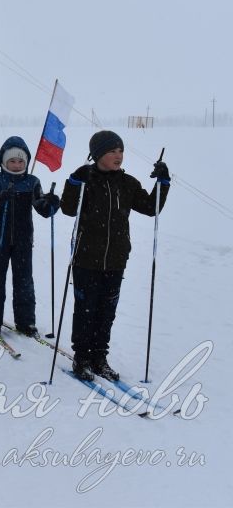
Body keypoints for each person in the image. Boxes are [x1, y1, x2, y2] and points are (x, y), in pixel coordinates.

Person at [60, 130, 169, 381]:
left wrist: (163, 182)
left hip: (116, 259)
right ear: (98, 154)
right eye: (112, 151)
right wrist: (74, 182)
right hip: (86, 259)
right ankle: (82, 358)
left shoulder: (127, 183)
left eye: (120, 151)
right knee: (86, 309)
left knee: (106, 311)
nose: (118, 156)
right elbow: (67, 209)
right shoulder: (87, 180)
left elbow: (150, 208)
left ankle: (99, 357)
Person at [0, 136, 60, 336]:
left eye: (20, 161)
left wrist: (51, 202)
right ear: (3, 161)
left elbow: (43, 209)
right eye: (12, 161)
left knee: (24, 281)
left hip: (23, 241)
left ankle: (25, 322)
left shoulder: (32, 182)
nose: (16, 165)